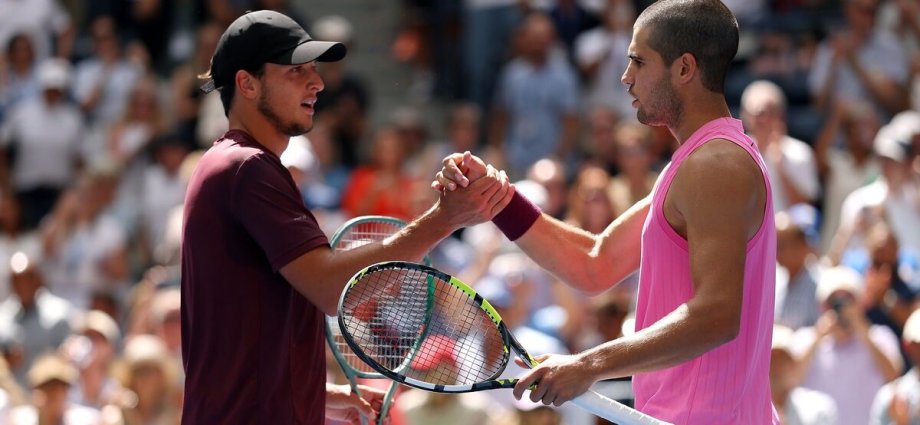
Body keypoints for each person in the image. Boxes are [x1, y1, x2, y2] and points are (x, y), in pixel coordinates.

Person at [436, 0, 778, 422]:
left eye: (638, 61)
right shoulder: (697, 162)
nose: (625, 76)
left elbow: (717, 316)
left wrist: (589, 365)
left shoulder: (715, 165)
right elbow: (594, 264)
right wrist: (496, 197)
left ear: (684, 68)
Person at [183, 10, 513, 425]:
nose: (317, 82)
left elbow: (238, 336)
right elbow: (335, 288)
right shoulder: (248, 168)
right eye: (296, 71)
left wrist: (314, 395)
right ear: (247, 83)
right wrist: (446, 218)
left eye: (315, 70)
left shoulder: (228, 164)